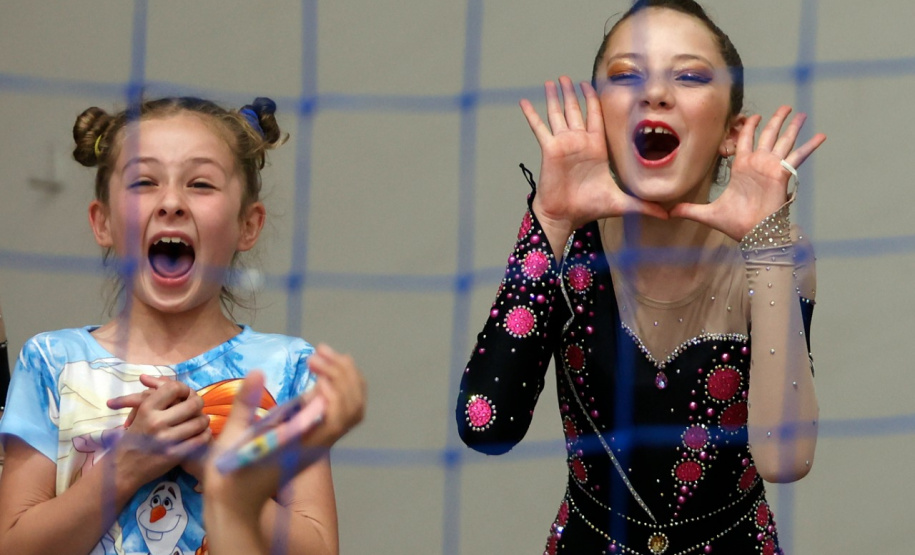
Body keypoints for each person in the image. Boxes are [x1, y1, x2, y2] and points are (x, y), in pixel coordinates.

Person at [456, 1, 825, 553]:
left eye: (691, 75)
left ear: (733, 131)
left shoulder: (778, 252)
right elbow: (486, 426)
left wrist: (767, 244)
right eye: (627, 75)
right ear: (598, 116)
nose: (655, 93)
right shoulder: (568, 246)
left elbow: (784, 458)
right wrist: (549, 221)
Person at [0, 96, 364, 555]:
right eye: (144, 181)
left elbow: (318, 549)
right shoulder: (52, 363)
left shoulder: (288, 368)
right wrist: (126, 466)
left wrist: (217, 468)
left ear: (247, 225)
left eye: (200, 184)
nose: (171, 201)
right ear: (103, 222)